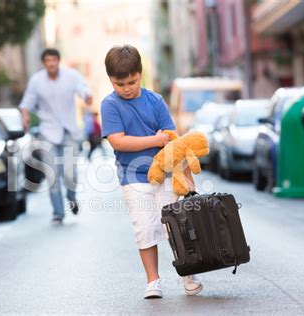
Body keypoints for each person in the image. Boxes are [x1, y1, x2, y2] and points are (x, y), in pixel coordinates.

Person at [100, 45, 203, 299]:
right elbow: (118, 142)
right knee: (144, 228)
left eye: (131, 82)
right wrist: (154, 141)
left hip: (166, 174)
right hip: (132, 176)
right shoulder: (109, 105)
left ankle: (188, 274)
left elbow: (174, 141)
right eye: (119, 83)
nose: (126, 88)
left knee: (174, 226)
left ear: (140, 73)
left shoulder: (155, 101)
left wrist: (187, 175)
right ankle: (153, 281)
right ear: (110, 80)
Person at [20, 48, 93, 225]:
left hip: (68, 130)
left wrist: (87, 96)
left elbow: (83, 89)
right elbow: (27, 102)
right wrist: (25, 116)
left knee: (70, 174)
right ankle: (58, 213)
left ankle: (71, 197)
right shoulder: (37, 81)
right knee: (52, 175)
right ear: (44, 63)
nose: (51, 63)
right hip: (48, 132)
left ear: (58, 61)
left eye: (54, 60)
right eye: (47, 61)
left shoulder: (71, 76)